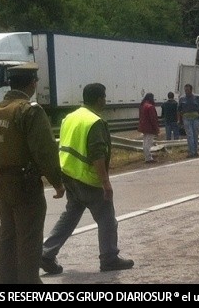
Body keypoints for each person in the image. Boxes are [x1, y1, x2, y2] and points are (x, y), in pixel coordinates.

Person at [40, 83, 134, 274]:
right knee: (107, 219)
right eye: (104, 97)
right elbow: (97, 154)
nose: (105, 101)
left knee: (70, 217)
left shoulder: (70, 117)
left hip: (69, 174)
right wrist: (106, 182)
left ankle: (46, 253)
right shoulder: (95, 122)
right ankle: (109, 258)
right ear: (99, 99)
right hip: (89, 179)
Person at [0, 62, 65, 284]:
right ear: (32, 83)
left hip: (2, 181)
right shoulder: (29, 110)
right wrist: (57, 182)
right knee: (29, 238)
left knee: (8, 236)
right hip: (25, 183)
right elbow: (44, 149)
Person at [178, 83, 199, 158]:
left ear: (191, 90)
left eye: (187, 90)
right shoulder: (182, 98)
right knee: (190, 135)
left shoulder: (197, 97)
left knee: (195, 135)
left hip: (195, 118)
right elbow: (178, 109)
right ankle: (192, 152)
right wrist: (179, 119)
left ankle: (195, 151)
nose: (186, 91)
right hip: (186, 118)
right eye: (185, 90)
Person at [138, 92, 160, 163]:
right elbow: (153, 119)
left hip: (143, 126)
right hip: (150, 127)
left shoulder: (142, 106)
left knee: (145, 142)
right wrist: (156, 129)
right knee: (148, 143)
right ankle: (148, 158)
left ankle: (147, 157)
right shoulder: (150, 107)